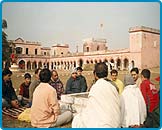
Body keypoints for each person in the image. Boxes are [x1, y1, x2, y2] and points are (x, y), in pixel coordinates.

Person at [72, 62, 120, 128]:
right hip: (115, 123)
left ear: (95, 74)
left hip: (102, 124)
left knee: (77, 119)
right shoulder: (113, 86)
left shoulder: (95, 87)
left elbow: (90, 109)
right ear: (107, 73)